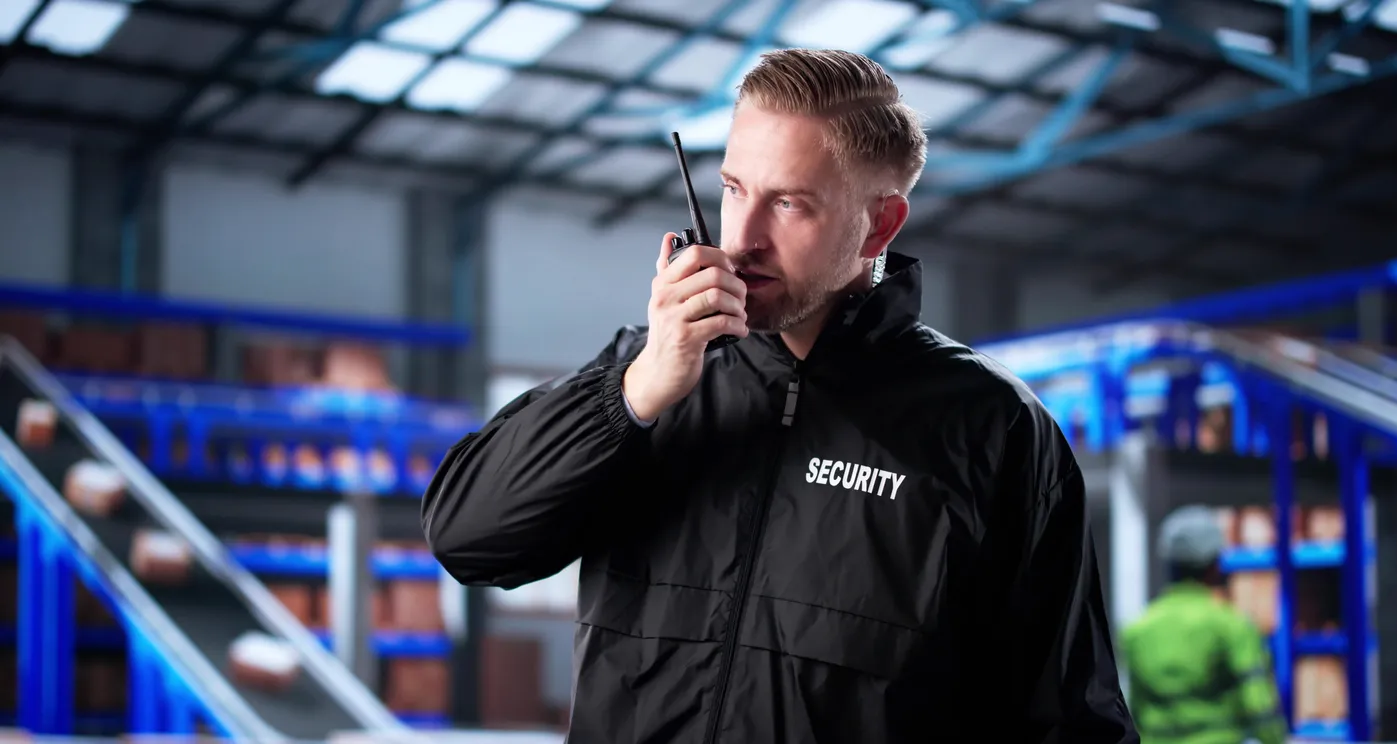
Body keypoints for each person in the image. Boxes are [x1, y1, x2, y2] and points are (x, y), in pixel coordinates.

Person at [422, 47, 1136, 744]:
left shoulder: (990, 426)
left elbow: (1068, 721)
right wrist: (637, 391)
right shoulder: (644, 375)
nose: (743, 238)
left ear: (880, 224)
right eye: (734, 189)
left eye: (789, 203)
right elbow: (468, 542)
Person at [1121, 505, 1287, 744]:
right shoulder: (1231, 626)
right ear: (1215, 564)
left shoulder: (1136, 630)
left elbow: (1132, 708)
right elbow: (1259, 705)